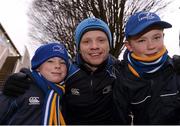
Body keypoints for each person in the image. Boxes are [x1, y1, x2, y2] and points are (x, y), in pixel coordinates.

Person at [1, 18, 120, 125]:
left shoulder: (120, 70)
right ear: (78, 47)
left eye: (101, 40)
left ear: (109, 44)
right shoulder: (66, 72)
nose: (94, 46)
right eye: (86, 41)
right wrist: (18, 79)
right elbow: (43, 79)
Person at [113, 11, 180, 125]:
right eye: (142, 40)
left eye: (156, 37)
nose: (151, 46)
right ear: (129, 46)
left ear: (163, 36)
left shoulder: (176, 69)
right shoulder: (121, 78)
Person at [0, 42, 76, 125]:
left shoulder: (66, 93)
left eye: (63, 62)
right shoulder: (20, 88)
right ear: (38, 67)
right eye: (50, 61)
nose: (58, 66)